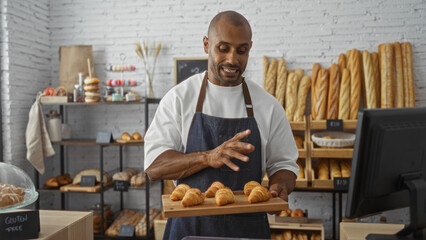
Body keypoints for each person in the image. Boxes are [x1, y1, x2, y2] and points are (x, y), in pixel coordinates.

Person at [144, 10, 299, 239]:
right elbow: (154, 167)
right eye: (223, 48)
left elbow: (284, 165)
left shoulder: (268, 106)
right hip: (190, 229)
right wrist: (207, 157)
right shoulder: (179, 98)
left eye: (242, 50)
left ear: (250, 49)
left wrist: (280, 187)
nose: (232, 59)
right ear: (207, 45)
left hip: (247, 230)